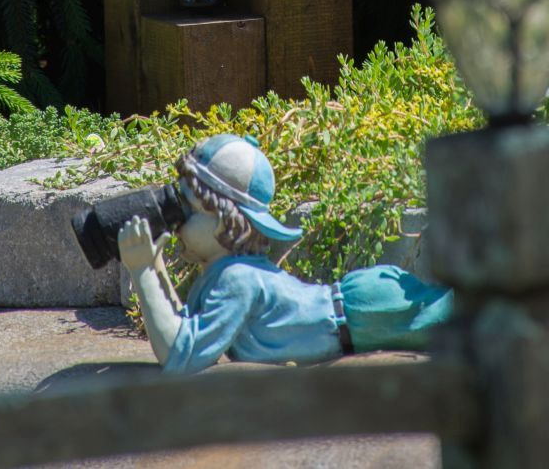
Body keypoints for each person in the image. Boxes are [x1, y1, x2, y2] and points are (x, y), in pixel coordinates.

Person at [117, 133, 453, 374]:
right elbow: (186, 332)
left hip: (364, 314)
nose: (177, 222)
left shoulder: (238, 280)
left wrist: (143, 270)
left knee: (466, 316)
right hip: (356, 314)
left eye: (188, 210)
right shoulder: (224, 274)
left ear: (227, 220)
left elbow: (182, 356)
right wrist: (153, 262)